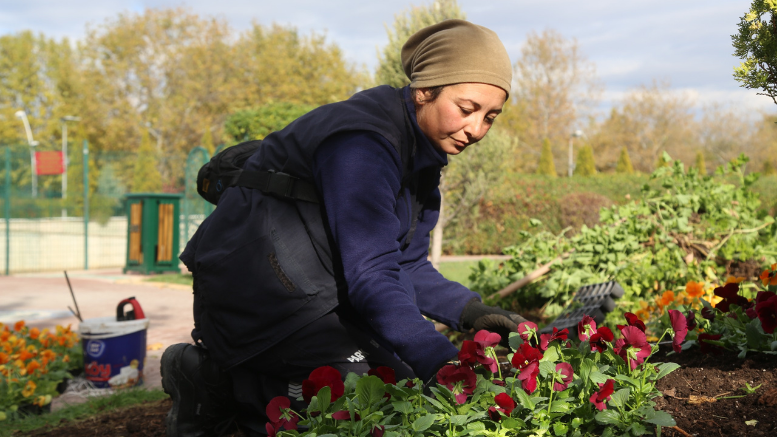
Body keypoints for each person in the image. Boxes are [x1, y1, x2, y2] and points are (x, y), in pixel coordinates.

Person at [161, 19, 527, 437]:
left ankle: (235, 382)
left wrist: (471, 311)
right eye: (467, 109)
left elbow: (405, 263)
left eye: (490, 117)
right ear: (425, 90)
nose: (477, 129)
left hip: (312, 291)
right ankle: (215, 389)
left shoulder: (421, 163)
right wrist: (444, 364)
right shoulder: (363, 144)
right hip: (258, 299)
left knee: (399, 386)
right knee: (371, 407)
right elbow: (372, 274)